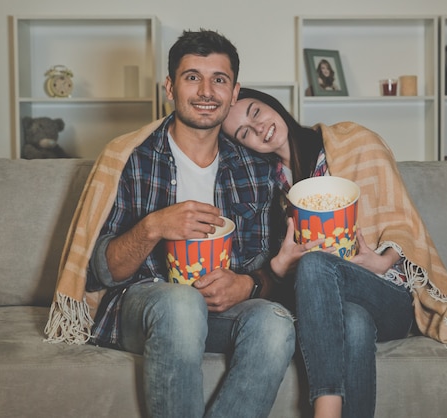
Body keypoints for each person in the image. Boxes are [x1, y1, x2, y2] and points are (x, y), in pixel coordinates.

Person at [44, 32, 295, 418]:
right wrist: (153, 227)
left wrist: (247, 284)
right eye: (192, 77)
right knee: (181, 303)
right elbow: (100, 273)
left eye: (219, 79)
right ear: (170, 87)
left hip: (221, 313)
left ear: (234, 92)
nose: (206, 91)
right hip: (145, 308)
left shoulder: (254, 170)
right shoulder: (130, 157)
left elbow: (270, 266)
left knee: (276, 323)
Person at [222, 88, 447, 418]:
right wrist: (279, 267)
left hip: (386, 292)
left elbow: (402, 218)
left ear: (272, 104)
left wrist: (382, 260)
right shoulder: (265, 185)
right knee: (354, 323)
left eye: (255, 112)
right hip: (335, 306)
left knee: (317, 263)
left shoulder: (353, 141)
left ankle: (325, 411)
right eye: (244, 132)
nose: (257, 129)